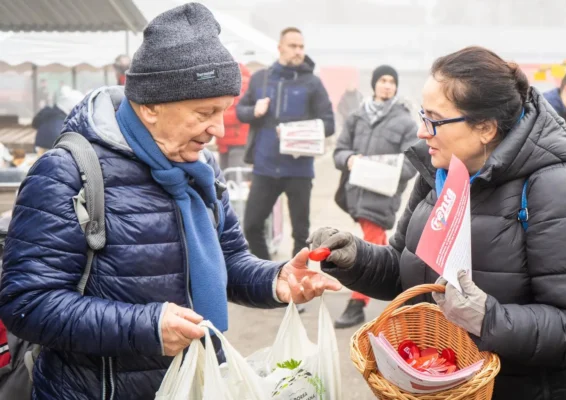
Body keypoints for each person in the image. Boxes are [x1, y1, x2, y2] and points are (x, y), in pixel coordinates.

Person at [0, 5, 340, 400]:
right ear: (151, 106)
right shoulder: (66, 172)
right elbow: (28, 303)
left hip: (197, 383)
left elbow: (227, 259)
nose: (219, 128)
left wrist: (274, 279)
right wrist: (144, 326)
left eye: (225, 110)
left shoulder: (201, 169)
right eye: (205, 112)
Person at [309, 46, 566, 399]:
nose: (422, 132)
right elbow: (406, 272)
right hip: (447, 384)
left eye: (434, 120)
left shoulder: (557, 190)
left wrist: (487, 319)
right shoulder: (438, 175)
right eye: (422, 115)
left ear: (485, 127)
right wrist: (355, 257)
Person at [236, 27, 335, 260]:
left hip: (299, 169)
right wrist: (254, 110)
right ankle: (267, 277)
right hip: (265, 166)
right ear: (280, 47)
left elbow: (329, 124)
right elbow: (240, 111)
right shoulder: (261, 79)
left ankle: (296, 278)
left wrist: (299, 132)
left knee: (301, 235)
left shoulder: (313, 83)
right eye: (293, 46)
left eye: (301, 47)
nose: (298, 51)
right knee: (251, 225)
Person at [331, 65, 418, 329]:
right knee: (377, 245)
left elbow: (412, 162)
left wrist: (386, 172)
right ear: (374, 84)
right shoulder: (357, 117)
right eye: (383, 80)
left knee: (371, 243)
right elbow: (339, 151)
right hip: (356, 193)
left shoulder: (405, 121)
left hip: (381, 195)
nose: (387, 85)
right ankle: (402, 295)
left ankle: (358, 303)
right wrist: (349, 160)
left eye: (392, 81)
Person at [32, 86, 85, 155]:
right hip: (53, 154)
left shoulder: (48, 112)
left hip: (39, 150)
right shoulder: (62, 123)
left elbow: (34, 124)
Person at [219, 62, 252, 170]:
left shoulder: (243, 84)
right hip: (224, 141)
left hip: (238, 142)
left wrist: (214, 116)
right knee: (226, 179)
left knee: (235, 178)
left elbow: (238, 115)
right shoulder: (225, 82)